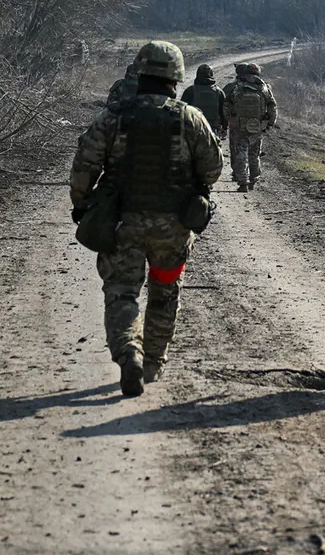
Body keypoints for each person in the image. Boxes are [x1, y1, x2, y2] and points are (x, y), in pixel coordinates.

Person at [70, 41, 222, 396]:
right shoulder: (190, 118)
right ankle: (152, 362)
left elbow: (85, 164)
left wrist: (81, 204)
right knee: (165, 292)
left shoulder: (114, 115)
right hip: (172, 230)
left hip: (122, 224)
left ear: (141, 72)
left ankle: (129, 354)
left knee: (122, 292)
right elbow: (213, 169)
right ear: (175, 77)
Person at [223, 62, 277, 191]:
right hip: (257, 126)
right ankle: (253, 179)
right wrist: (270, 123)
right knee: (254, 154)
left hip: (239, 126)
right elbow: (272, 106)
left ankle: (243, 182)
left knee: (241, 153)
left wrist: (229, 119)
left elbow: (227, 105)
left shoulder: (238, 87)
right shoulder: (264, 88)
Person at [181, 63, 228, 137]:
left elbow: (182, 111)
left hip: (193, 127)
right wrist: (224, 127)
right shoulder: (218, 92)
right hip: (212, 128)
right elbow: (224, 112)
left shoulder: (190, 91)